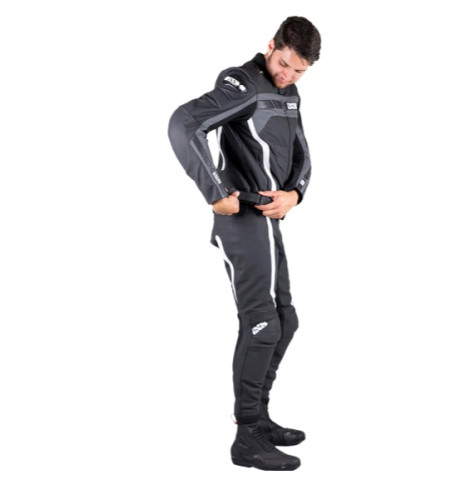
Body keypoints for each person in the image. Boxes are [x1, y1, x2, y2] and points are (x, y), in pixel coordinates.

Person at [168, 16, 321, 471]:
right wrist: (215, 192)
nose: (287, 75)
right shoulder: (243, 83)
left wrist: (295, 194)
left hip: (268, 220)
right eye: (283, 63)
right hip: (241, 219)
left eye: (299, 71)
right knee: (262, 323)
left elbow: (302, 151)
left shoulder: (288, 92)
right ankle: (246, 436)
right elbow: (183, 123)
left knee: (285, 320)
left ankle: (260, 418)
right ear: (271, 45)